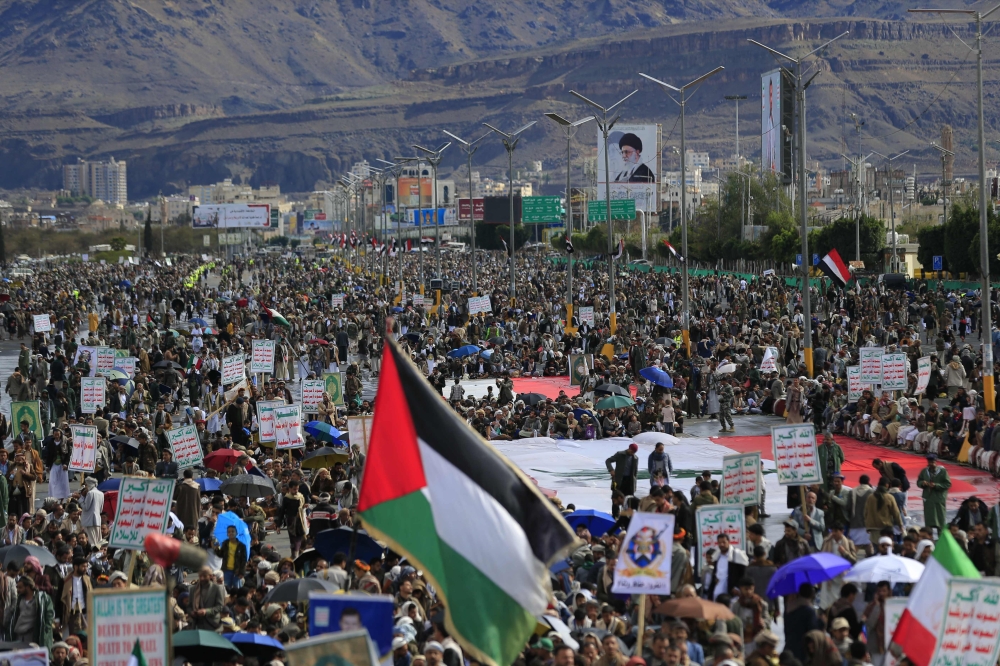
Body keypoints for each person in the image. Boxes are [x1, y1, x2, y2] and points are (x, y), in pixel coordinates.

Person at [4, 575, 54, 648]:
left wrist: (46, 630)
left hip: (32, 635)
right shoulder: (19, 600)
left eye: (20, 587)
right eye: (17, 587)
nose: (18, 590)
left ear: (28, 586)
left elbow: (49, 615)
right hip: (19, 635)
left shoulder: (42, 599)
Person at [917, 453, 951, 533]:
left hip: (939, 498)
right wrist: (922, 483)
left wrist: (936, 485)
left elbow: (948, 484)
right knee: (929, 519)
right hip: (928, 498)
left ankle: (941, 538)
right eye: (929, 462)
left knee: (940, 519)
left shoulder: (942, 472)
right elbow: (919, 481)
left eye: (932, 462)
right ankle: (929, 536)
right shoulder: (924, 471)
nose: (930, 464)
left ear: (936, 462)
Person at [190, 565, 226, 631]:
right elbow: (189, 606)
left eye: (204, 576)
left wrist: (206, 611)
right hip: (197, 623)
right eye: (200, 576)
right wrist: (191, 612)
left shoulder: (217, 588)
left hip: (212, 624)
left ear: (210, 576)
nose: (202, 578)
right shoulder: (193, 589)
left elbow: (220, 606)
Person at [79, 477, 104, 548]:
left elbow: (86, 507)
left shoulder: (90, 493)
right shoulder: (101, 493)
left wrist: (80, 499)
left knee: (92, 542)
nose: (85, 487)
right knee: (99, 542)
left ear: (89, 484)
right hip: (97, 521)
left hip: (89, 521)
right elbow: (101, 509)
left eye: (86, 485)